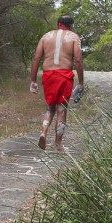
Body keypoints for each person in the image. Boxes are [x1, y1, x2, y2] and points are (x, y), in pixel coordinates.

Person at [29, 15, 84, 153]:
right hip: (64, 75)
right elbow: (78, 59)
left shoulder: (46, 36)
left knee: (50, 107)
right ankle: (57, 145)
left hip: (48, 75)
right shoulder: (73, 37)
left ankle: (43, 132)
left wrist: (33, 80)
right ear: (71, 25)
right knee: (62, 109)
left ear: (59, 24)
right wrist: (81, 82)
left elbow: (36, 59)